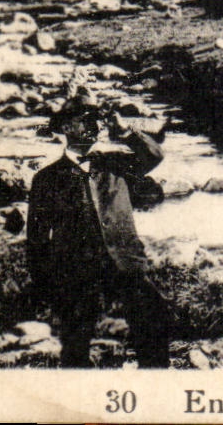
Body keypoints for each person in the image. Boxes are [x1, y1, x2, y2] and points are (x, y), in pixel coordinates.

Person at [26, 93, 174, 368]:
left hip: (125, 262)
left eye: (96, 120)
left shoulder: (115, 163)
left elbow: (154, 154)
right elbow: (36, 241)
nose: (94, 127)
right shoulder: (46, 179)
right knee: (75, 344)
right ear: (66, 128)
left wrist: (126, 132)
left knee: (152, 322)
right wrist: (45, 286)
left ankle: (155, 388)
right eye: (86, 120)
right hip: (77, 272)